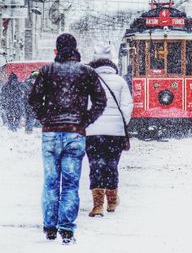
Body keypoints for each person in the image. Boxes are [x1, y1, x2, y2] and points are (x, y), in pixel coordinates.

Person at [28, 33, 107, 244]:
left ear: (57, 50)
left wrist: (45, 117)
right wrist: (84, 120)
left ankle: (50, 226)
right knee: (71, 183)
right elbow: (100, 101)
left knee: (51, 182)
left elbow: (33, 98)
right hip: (75, 133)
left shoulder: (47, 71)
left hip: (51, 134)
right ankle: (67, 229)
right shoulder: (87, 72)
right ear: (75, 49)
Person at [86, 43, 133, 217]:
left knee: (96, 165)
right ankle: (112, 202)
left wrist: (88, 123)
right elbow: (127, 106)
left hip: (93, 132)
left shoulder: (89, 81)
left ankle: (98, 205)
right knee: (111, 165)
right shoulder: (120, 81)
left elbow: (84, 105)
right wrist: (121, 124)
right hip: (116, 133)